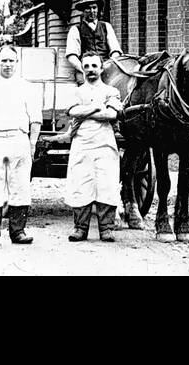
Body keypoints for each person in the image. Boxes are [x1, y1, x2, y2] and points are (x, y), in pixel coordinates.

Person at [0, 45, 41, 248]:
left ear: (17, 63)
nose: (7, 65)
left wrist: (32, 143)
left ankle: (18, 231)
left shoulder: (26, 87)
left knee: (20, 185)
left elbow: (36, 119)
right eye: (4, 60)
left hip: (18, 138)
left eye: (11, 61)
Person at [65, 53, 124, 242]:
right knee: (81, 183)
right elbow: (72, 111)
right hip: (82, 142)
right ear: (82, 68)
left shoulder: (111, 91)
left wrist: (85, 112)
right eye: (87, 66)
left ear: (101, 68)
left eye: (94, 66)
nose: (91, 69)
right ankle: (80, 228)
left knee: (106, 183)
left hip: (104, 142)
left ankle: (106, 228)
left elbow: (112, 114)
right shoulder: (76, 91)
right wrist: (95, 108)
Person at [64, 0, 123, 83]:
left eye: (94, 7)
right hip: (85, 71)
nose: (92, 11)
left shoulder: (106, 26)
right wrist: (84, 69)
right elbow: (72, 55)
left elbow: (115, 50)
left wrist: (109, 65)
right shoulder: (75, 30)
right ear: (83, 11)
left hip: (106, 69)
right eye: (88, 8)